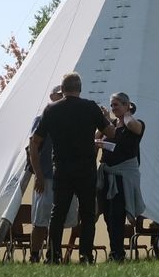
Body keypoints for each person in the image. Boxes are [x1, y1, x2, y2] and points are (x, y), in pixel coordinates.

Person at [29, 72, 108, 264]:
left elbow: (34, 141)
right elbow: (110, 132)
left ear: (62, 89)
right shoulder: (90, 107)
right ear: (79, 89)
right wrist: (105, 119)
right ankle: (85, 255)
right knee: (88, 214)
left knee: (58, 213)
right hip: (85, 168)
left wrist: (38, 172)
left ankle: (53, 255)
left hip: (62, 168)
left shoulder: (51, 110)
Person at [25, 85, 79, 263]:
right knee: (41, 220)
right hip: (46, 176)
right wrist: (38, 175)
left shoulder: (71, 120)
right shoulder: (41, 119)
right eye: (59, 94)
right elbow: (33, 148)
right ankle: (34, 255)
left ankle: (53, 253)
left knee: (60, 220)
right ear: (52, 96)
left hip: (65, 176)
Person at [97, 92, 145, 262]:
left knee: (117, 215)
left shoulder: (132, 122)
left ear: (126, 105)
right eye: (112, 105)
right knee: (108, 216)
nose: (113, 108)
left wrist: (126, 114)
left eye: (116, 104)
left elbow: (136, 128)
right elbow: (96, 137)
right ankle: (115, 251)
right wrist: (105, 119)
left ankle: (118, 254)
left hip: (122, 176)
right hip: (108, 174)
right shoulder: (112, 125)